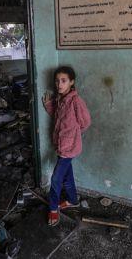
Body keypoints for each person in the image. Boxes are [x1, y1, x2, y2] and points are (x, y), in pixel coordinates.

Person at [42, 66, 91, 226]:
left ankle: (53, 209)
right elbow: (57, 116)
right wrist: (49, 104)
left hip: (69, 148)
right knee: (67, 176)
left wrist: (72, 134)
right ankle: (73, 200)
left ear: (72, 82)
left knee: (56, 179)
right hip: (60, 145)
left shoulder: (76, 101)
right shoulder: (60, 98)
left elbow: (85, 122)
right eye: (57, 81)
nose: (59, 84)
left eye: (63, 81)